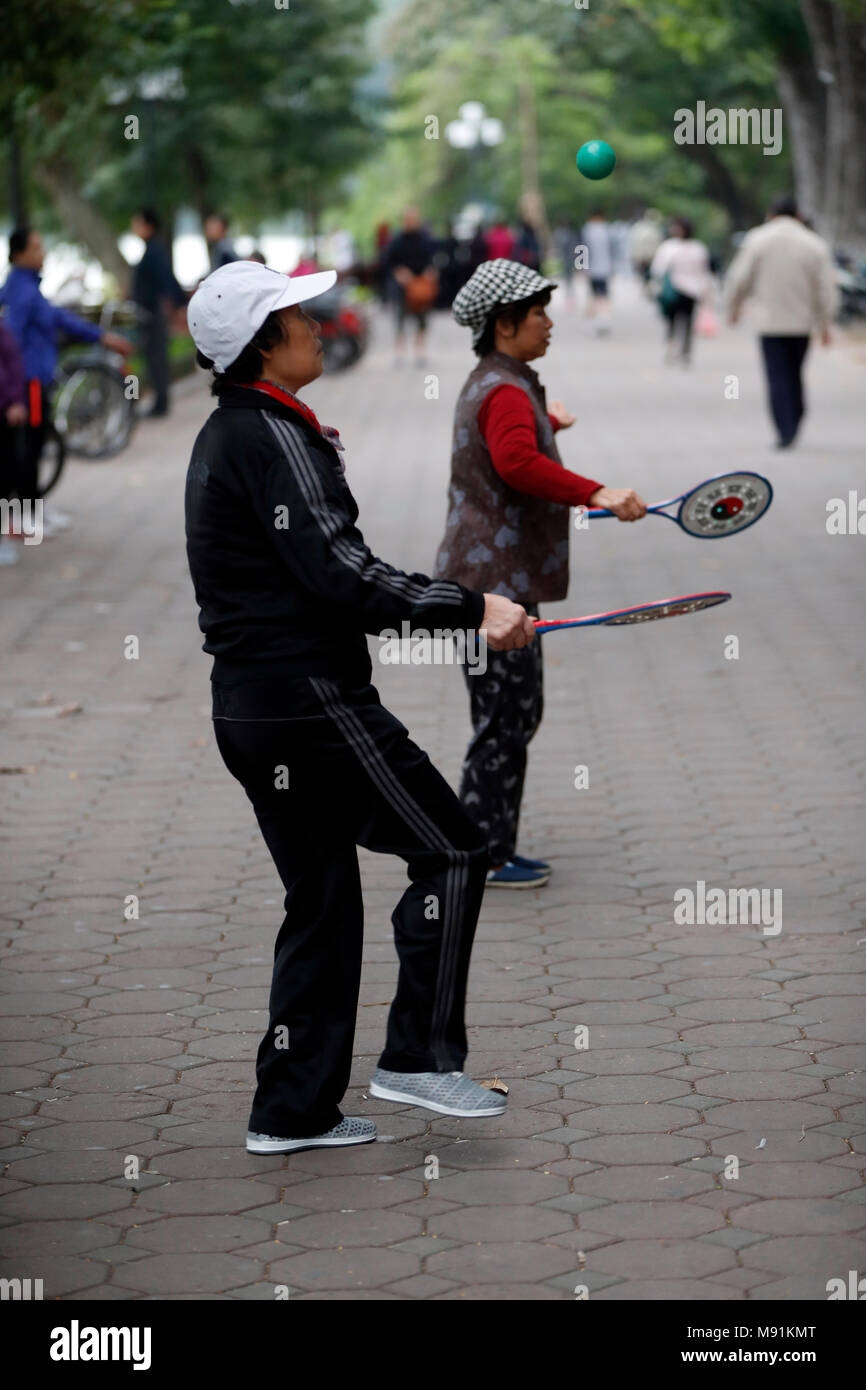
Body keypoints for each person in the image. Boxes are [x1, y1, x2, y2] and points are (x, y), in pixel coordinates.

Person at [184, 260, 535, 1153]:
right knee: (457, 850)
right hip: (308, 704)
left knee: (323, 901)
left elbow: (320, 571)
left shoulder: (238, 431)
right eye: (299, 314)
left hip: (253, 708)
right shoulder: (270, 436)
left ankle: (290, 1112)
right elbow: (341, 573)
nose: (317, 323)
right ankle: (416, 1057)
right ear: (266, 343)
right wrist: (470, 606)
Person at [434, 259, 647, 889]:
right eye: (538, 315)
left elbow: (511, 442)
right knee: (504, 717)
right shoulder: (503, 388)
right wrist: (597, 491)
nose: (549, 325)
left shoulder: (501, 382)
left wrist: (545, 423)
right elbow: (517, 463)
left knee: (511, 714)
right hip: (491, 586)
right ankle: (482, 853)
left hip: (492, 579)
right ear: (504, 324)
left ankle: (486, 845)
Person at [0, 227, 132, 526]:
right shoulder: (21, 293)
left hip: (33, 382)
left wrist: (101, 337)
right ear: (19, 254)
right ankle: (26, 518)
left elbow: (58, 318)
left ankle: (33, 512)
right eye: (36, 248)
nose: (42, 253)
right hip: (27, 385)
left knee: (32, 448)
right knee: (27, 450)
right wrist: (13, 394)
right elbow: (8, 345)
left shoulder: (27, 289)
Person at [725, 194, 837, 449]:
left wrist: (734, 308)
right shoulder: (814, 243)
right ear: (798, 215)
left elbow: (739, 277)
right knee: (795, 373)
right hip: (802, 323)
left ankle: (785, 430)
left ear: (771, 213)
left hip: (770, 323)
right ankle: (795, 419)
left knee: (777, 376)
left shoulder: (757, 239)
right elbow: (825, 289)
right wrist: (825, 324)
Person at [130, 208, 187, 418]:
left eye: (137, 223)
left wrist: (181, 304)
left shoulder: (154, 251)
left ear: (148, 226)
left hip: (151, 316)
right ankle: (149, 400)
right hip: (147, 315)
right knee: (150, 359)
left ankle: (159, 404)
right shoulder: (151, 249)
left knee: (156, 359)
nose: (134, 228)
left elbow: (166, 280)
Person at [650, 216, 712, 365]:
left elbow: (658, 269)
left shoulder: (671, 247)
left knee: (683, 322)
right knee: (677, 321)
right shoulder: (696, 247)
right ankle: (677, 350)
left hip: (684, 290)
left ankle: (681, 350)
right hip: (682, 290)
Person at [385, 208, 436, 365]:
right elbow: (388, 262)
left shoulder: (425, 239)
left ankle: (419, 351)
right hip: (402, 287)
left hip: (421, 286)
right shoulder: (396, 241)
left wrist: (430, 273)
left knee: (422, 320)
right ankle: (399, 352)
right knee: (399, 319)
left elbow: (432, 261)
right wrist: (399, 273)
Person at [0, 316, 27, 565]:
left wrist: (16, 401)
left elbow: (14, 365)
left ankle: (6, 534)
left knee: (9, 473)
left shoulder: (3, 331)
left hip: (4, 413)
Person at [579, 211, 614, 334]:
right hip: (605, 268)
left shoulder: (587, 230)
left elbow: (582, 250)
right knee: (604, 295)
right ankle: (604, 319)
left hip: (592, 268)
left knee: (595, 294)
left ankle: (598, 320)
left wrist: (582, 268)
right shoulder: (607, 230)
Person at [628, 208, 663, 289]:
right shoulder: (641, 227)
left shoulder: (654, 228)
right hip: (645, 255)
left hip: (650, 255)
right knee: (645, 272)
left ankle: (647, 285)